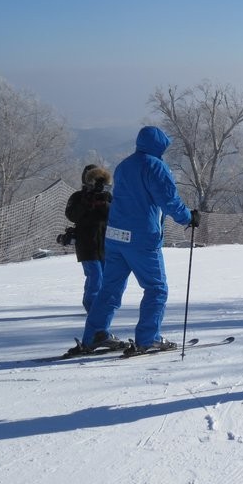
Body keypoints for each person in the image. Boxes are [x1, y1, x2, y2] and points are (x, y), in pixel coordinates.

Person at [72, 126, 199, 355]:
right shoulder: (155, 166)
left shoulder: (124, 165)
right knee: (156, 288)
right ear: (158, 145)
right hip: (142, 238)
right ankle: (148, 338)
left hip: (115, 236)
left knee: (109, 288)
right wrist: (188, 217)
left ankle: (95, 334)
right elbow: (168, 200)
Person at [64, 164, 113, 311]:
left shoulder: (107, 197)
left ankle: (95, 305)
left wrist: (103, 203)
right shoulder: (78, 197)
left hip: (105, 243)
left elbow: (115, 216)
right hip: (86, 244)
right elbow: (71, 215)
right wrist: (86, 203)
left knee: (102, 277)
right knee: (96, 276)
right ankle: (92, 308)